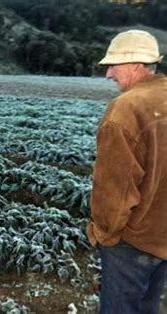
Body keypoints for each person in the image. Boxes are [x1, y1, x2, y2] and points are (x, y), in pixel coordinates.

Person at [88, 29, 167, 313]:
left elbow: (115, 187)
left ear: (135, 65)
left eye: (113, 65)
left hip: (132, 243)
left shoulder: (125, 109)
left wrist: (106, 235)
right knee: (148, 307)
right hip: (163, 236)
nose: (109, 74)